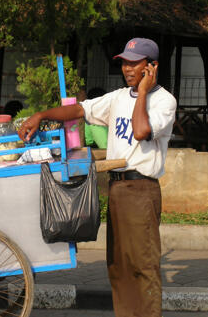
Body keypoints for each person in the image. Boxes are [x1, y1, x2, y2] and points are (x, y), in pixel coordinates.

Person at [18, 37, 177, 317]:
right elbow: (81, 109)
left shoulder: (164, 101)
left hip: (141, 190)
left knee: (143, 264)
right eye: (125, 63)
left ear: (151, 67)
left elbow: (141, 131)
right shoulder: (116, 98)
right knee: (119, 265)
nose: (128, 69)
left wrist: (142, 93)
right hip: (117, 189)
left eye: (135, 63)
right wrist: (41, 115)